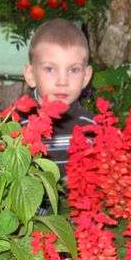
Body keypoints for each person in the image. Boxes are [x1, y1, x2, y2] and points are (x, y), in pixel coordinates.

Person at [22, 18, 95, 171]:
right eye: (50, 69)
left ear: (86, 77)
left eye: (73, 70)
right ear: (31, 75)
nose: (62, 81)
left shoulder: (93, 128)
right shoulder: (15, 124)